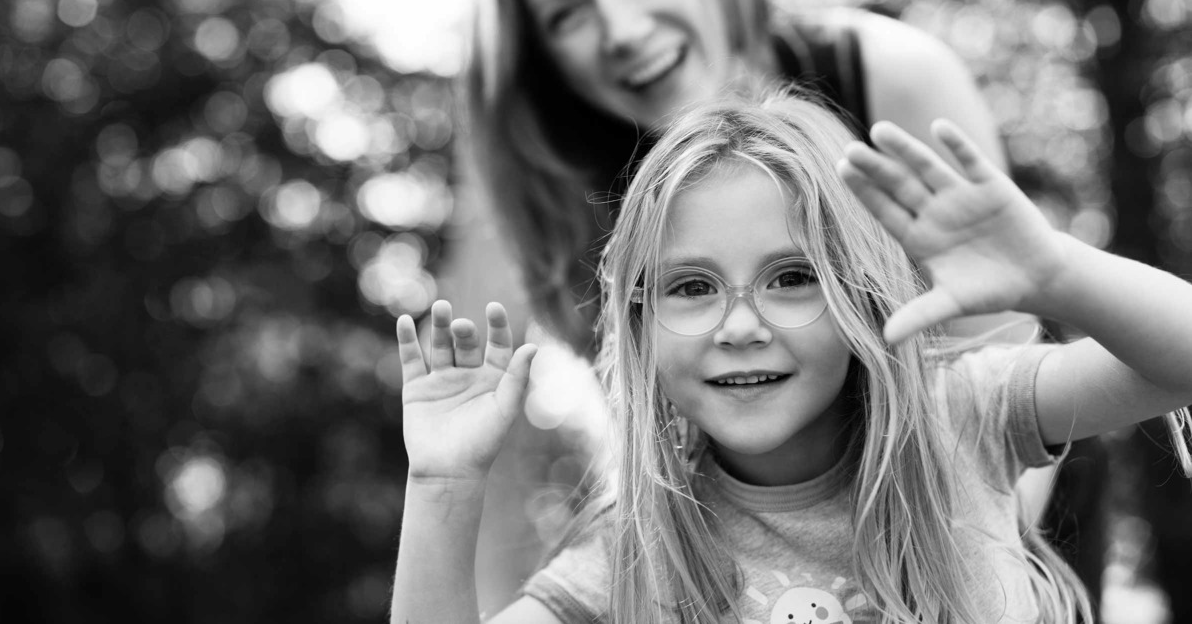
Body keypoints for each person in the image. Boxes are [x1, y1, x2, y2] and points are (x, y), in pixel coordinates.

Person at [392, 94, 1192, 624]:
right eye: (693, 287)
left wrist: (1055, 273)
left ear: (863, 294)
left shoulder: (963, 414)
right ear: (639, 326)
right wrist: (443, 484)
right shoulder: (635, 560)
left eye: (792, 277)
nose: (740, 325)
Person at [466, 0, 1013, 356]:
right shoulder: (573, 201)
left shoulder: (892, 78)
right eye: (566, 13)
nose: (623, 29)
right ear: (540, 62)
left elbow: (1009, 384)